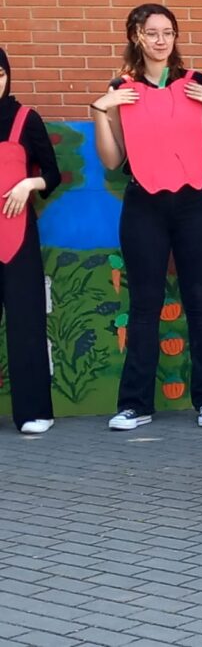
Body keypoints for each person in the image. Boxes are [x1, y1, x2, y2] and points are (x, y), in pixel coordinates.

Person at [90, 3, 202, 431]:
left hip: (195, 204)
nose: (160, 40)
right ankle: (135, 405)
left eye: (167, 32)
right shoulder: (122, 89)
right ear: (136, 36)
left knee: (200, 301)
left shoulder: (195, 84)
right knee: (144, 305)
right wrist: (100, 111)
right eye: (151, 32)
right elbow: (112, 159)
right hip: (143, 205)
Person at [0, 49, 61, 434]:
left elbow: (53, 173)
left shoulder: (25, 118)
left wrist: (28, 183)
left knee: (26, 322)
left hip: (17, 234)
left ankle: (34, 412)